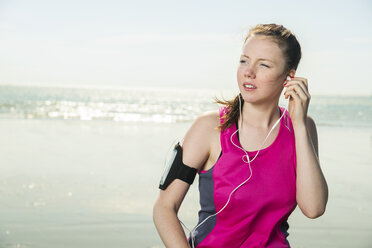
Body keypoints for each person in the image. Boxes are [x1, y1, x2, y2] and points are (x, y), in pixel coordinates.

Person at [153, 23, 328, 248]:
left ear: (289, 77)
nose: (249, 71)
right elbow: (164, 209)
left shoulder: (303, 128)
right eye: (244, 60)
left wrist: (300, 125)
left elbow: (314, 208)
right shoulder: (209, 128)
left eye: (263, 64)